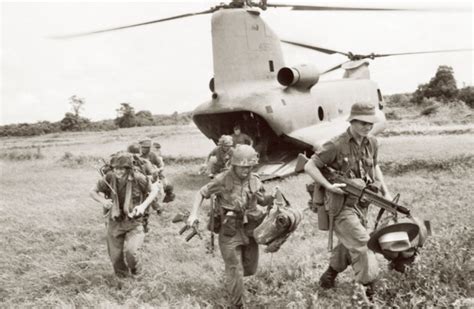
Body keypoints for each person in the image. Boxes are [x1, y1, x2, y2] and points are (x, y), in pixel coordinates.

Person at [304, 102, 392, 298]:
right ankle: (369, 291)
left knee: (348, 240)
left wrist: (386, 191)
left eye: (371, 123)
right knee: (362, 242)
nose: (368, 127)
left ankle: (329, 275)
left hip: (362, 204)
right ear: (352, 121)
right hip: (340, 205)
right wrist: (328, 186)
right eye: (363, 123)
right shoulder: (335, 144)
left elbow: (375, 167)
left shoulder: (372, 142)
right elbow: (310, 166)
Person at [187, 145, 274, 308]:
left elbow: (262, 199)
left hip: (250, 230)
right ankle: (237, 304)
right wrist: (193, 214)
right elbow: (201, 193)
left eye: (249, 167)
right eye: (243, 167)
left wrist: (273, 198)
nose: (246, 170)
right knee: (236, 269)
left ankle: (233, 281)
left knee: (250, 269)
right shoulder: (222, 179)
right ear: (234, 164)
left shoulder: (255, 179)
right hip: (230, 231)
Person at [90, 153, 159, 277]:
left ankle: (136, 271)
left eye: (122, 168)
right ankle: (122, 277)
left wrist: (143, 206)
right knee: (115, 256)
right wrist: (104, 201)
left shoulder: (138, 178)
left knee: (131, 253)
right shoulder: (109, 178)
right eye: (116, 168)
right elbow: (93, 192)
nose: (118, 171)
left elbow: (154, 190)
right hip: (115, 221)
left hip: (134, 221)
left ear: (128, 169)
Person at [139, 137, 175, 203]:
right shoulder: (137, 156)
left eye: (147, 147)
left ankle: (167, 197)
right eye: (143, 147)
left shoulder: (152, 155)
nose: (145, 149)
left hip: (154, 175)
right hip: (142, 175)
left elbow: (161, 165)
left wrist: (158, 170)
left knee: (167, 184)